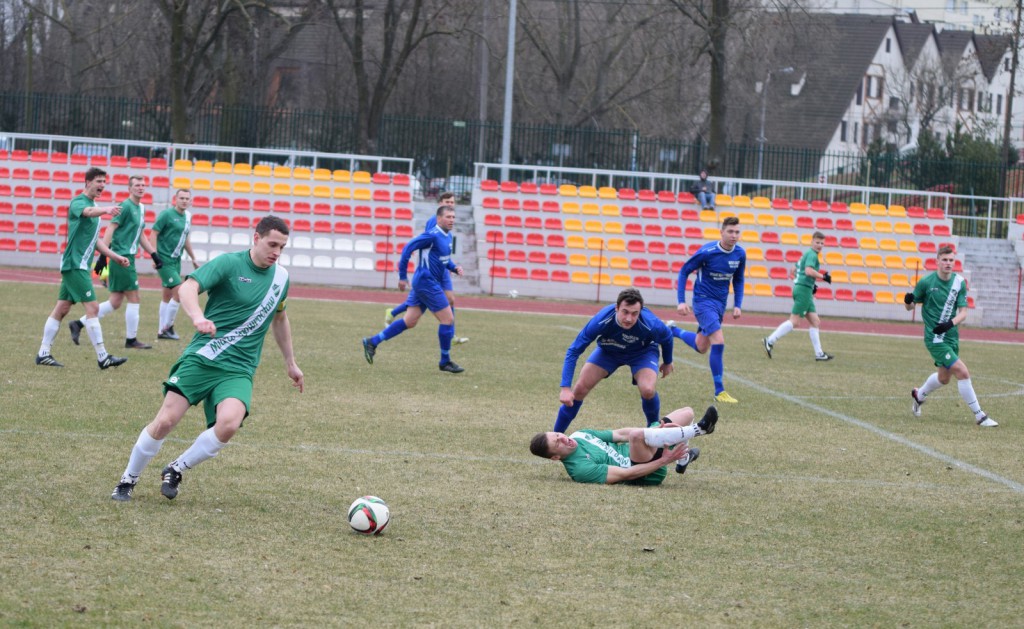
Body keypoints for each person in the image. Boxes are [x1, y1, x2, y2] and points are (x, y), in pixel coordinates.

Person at [110, 215, 304, 501]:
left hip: (239, 368)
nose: (276, 252)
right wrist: (198, 316)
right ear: (256, 238)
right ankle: (128, 480)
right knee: (166, 421)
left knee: (229, 423)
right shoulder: (229, 264)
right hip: (204, 356)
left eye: (282, 247)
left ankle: (176, 468)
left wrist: (290, 362)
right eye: (272, 244)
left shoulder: (281, 278)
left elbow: (280, 318)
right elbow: (188, 287)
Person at [34, 167, 131, 369]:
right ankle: (103, 357)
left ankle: (43, 354)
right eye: (98, 181)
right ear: (87, 182)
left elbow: (96, 241)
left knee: (62, 308)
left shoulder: (95, 207)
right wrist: (105, 209)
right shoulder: (80, 202)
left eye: (104, 182)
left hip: (80, 265)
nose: (102, 185)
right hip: (75, 265)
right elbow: (87, 212)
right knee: (93, 307)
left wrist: (115, 256)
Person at [362, 204, 466, 373]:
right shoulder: (431, 235)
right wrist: (402, 276)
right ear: (439, 219)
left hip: (427, 282)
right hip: (427, 282)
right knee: (448, 319)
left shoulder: (448, 236)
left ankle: (372, 342)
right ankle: (445, 361)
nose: (452, 220)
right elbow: (407, 249)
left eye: (453, 217)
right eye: (448, 217)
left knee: (410, 321)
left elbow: (444, 260)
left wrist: (454, 268)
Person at [556, 288, 674, 432]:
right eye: (625, 312)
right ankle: (555, 436)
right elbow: (574, 350)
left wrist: (667, 361)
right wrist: (565, 388)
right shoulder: (602, 320)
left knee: (648, 390)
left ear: (640, 311)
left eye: (634, 313)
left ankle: (654, 431)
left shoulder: (651, 323)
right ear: (617, 308)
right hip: (609, 351)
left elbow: (667, 337)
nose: (629, 318)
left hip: (642, 353)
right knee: (579, 389)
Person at [904, 246, 996, 428]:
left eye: (951, 260)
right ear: (937, 261)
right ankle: (980, 416)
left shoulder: (959, 282)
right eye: (944, 260)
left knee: (944, 379)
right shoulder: (926, 282)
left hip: (951, 336)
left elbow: (964, 312)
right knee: (962, 371)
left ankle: (919, 395)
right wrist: (908, 301)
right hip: (934, 338)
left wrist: (949, 324)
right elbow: (911, 306)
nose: (948, 263)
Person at [69, 175, 162, 350]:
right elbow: (111, 227)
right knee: (134, 297)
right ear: (130, 188)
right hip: (122, 257)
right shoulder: (125, 206)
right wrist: (104, 256)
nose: (140, 188)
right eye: (137, 185)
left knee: (116, 301)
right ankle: (131, 340)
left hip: (128, 256)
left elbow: (140, 234)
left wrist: (154, 254)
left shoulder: (141, 207)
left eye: (143, 185)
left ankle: (78, 323)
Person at [530, 405, 719, 484]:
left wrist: (656, 432)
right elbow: (627, 474)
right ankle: (700, 430)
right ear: (556, 457)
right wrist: (664, 460)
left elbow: (620, 434)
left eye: (558, 434)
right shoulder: (580, 470)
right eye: (558, 443)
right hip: (645, 470)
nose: (564, 438)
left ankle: (684, 459)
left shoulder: (580, 435)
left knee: (686, 412)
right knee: (637, 435)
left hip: (642, 447)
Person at [670, 216, 746, 403]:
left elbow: (738, 279)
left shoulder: (740, 254)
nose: (734, 235)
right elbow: (684, 271)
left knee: (702, 346)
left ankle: (673, 331)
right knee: (718, 341)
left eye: (737, 232)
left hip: (720, 305)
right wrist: (681, 300)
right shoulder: (707, 252)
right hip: (703, 302)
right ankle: (719, 391)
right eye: (730, 231)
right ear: (721, 232)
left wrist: (737, 304)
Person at [383, 192, 467, 344]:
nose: (450, 204)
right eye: (447, 202)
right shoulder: (434, 223)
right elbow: (426, 242)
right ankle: (448, 336)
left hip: (440, 269)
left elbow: (442, 250)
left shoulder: (448, 225)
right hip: (430, 272)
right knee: (442, 303)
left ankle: (381, 331)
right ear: (440, 204)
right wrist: (404, 274)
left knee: (447, 300)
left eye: (452, 202)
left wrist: (453, 266)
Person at [762, 231, 834, 361]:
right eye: (817, 242)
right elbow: (808, 271)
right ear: (812, 241)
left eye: (822, 243)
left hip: (802, 288)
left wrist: (804, 282)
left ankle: (819, 354)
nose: (819, 245)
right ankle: (770, 340)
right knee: (795, 321)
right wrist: (823, 277)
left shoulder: (806, 254)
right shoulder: (812, 255)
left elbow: (794, 270)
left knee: (815, 321)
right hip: (803, 291)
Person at [152, 188, 200, 340]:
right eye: (182, 198)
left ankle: (161, 331)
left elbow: (185, 239)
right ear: (175, 199)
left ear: (190, 201)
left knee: (167, 295)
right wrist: (154, 256)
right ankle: (167, 327)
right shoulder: (166, 215)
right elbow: (153, 233)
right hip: (164, 260)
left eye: (187, 198)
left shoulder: (188, 217)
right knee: (180, 292)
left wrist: (193, 258)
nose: (184, 201)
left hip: (176, 260)